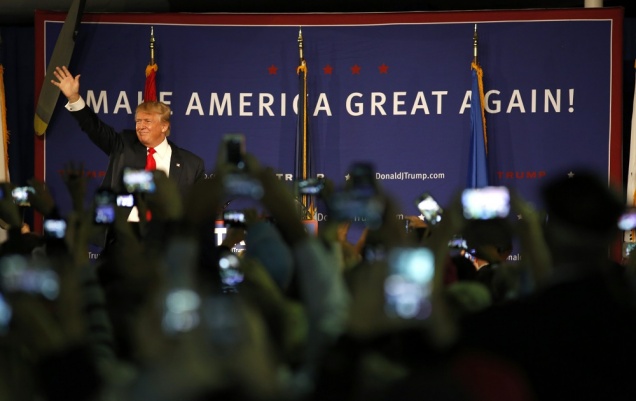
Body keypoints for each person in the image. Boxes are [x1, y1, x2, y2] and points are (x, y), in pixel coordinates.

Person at [50, 66, 205, 202]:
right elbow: (94, 127)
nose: (141, 126)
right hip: (125, 232)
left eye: (147, 121)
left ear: (164, 126)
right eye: (138, 121)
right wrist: (73, 97)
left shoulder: (191, 164)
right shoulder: (122, 145)